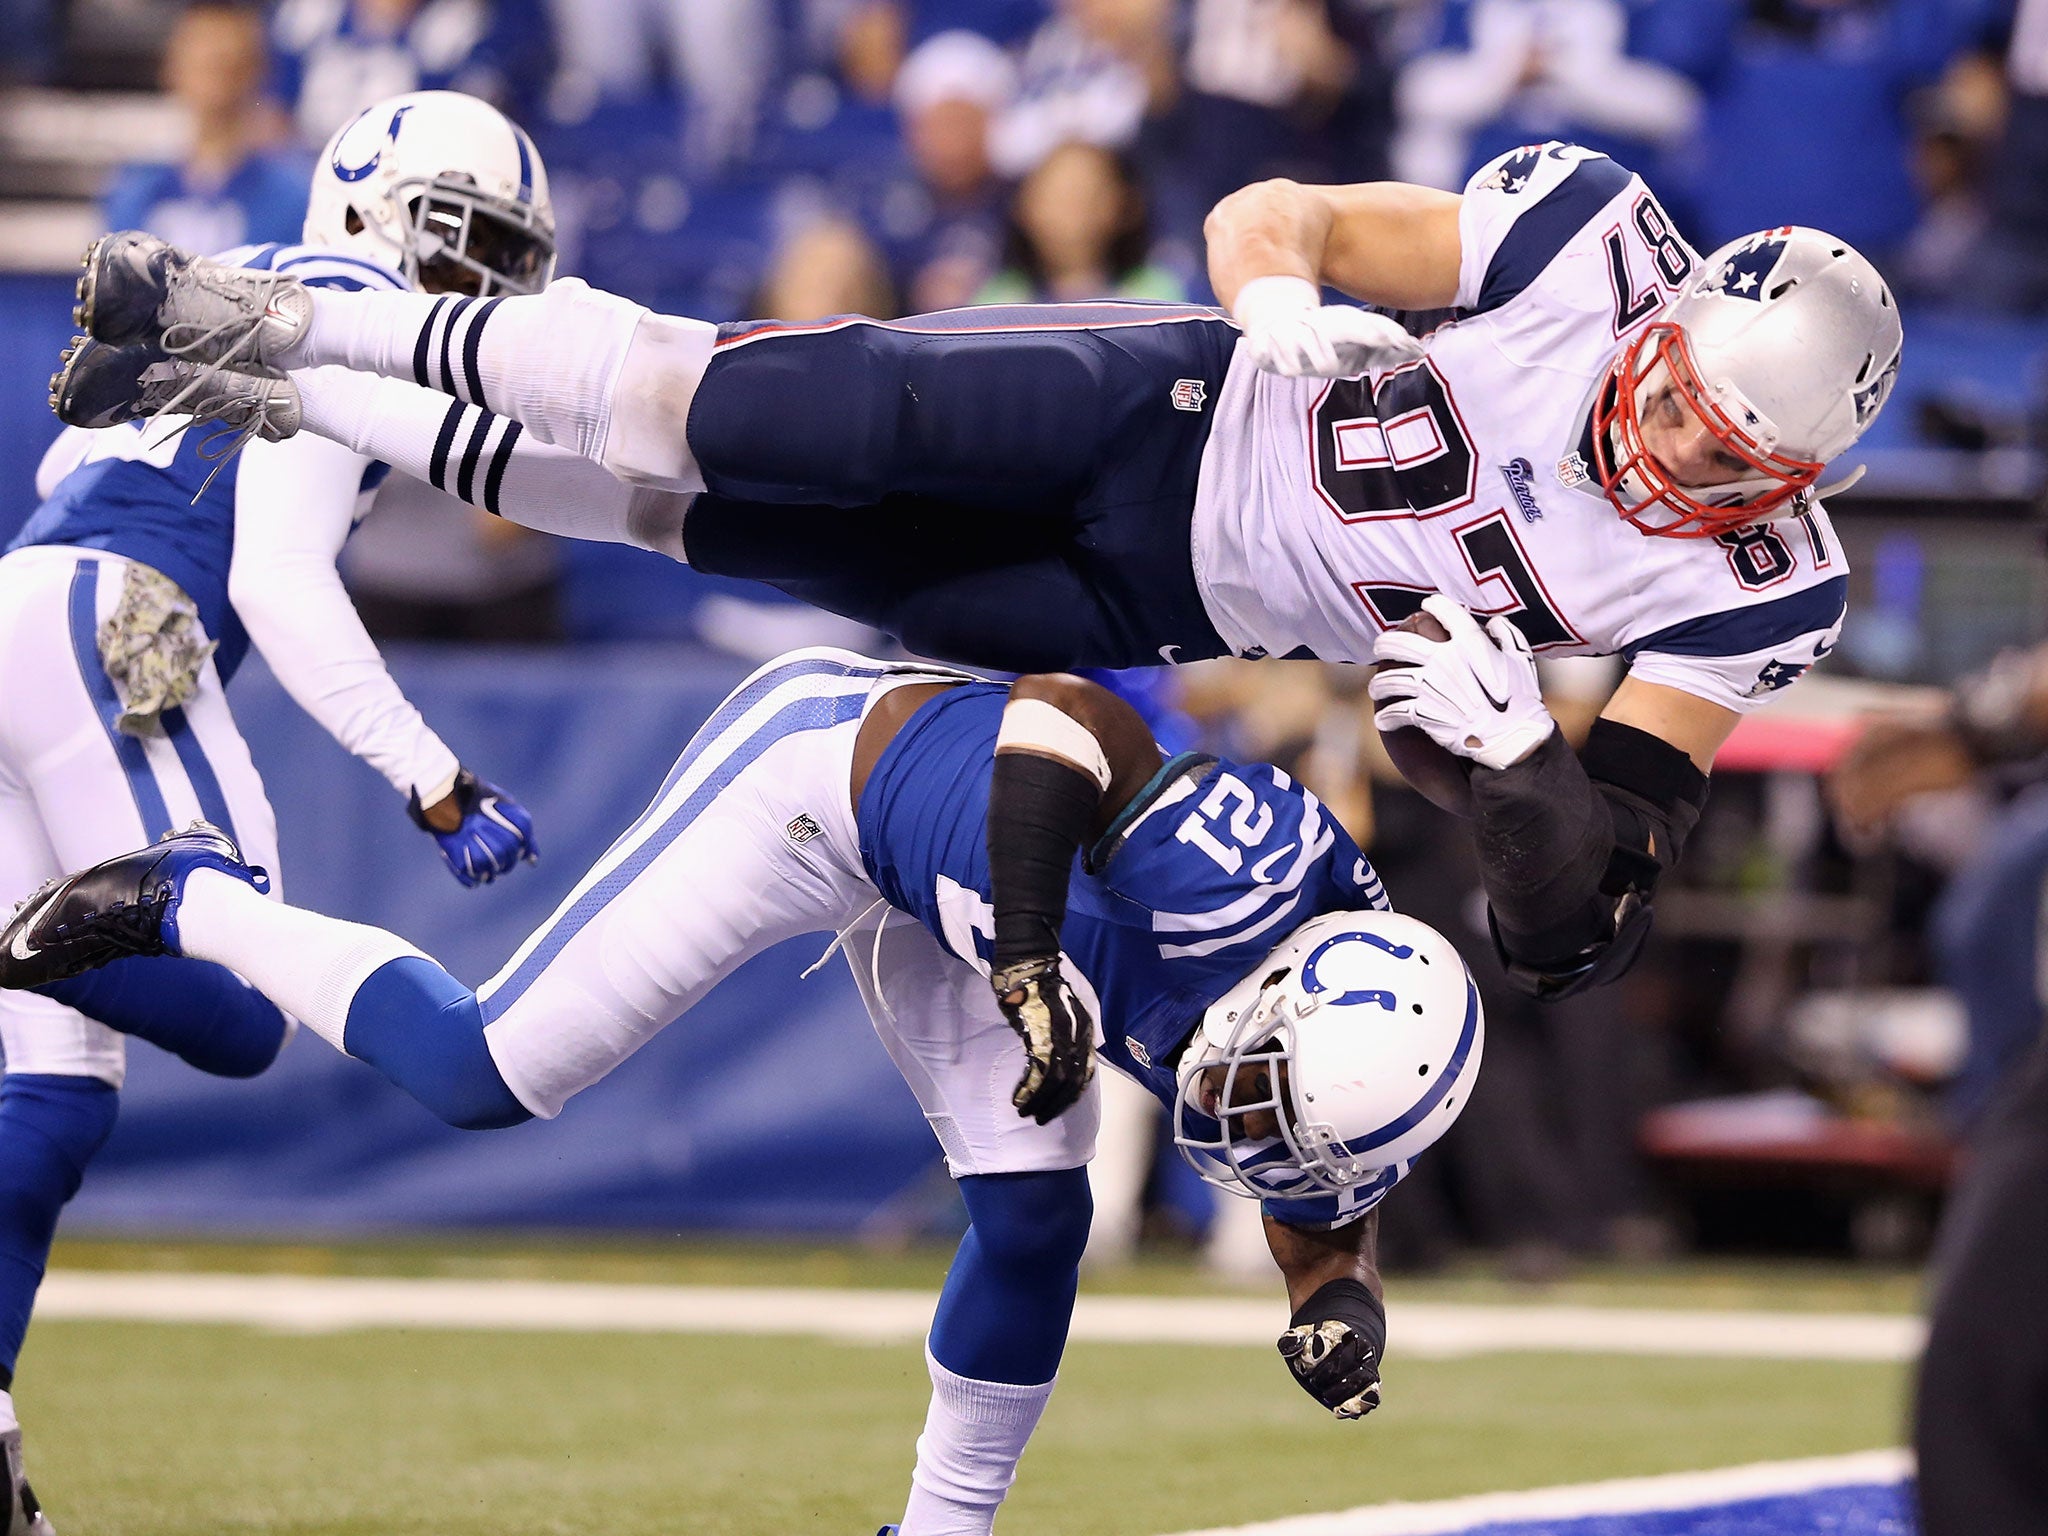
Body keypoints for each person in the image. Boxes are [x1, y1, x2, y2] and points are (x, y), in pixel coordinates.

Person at [58, 136, 1903, 1010]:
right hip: (1160, 411)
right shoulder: (1583, 239)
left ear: (1795, 479)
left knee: (710, 521)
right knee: (781, 414)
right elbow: (1286, 214)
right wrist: (1276, 306)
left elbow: (1575, 925)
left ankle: (290, 386)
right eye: (1678, 407)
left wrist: (1513, 786)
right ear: (1666, 317)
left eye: (1730, 461)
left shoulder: (1751, 591)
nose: (1669, 458)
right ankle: (285, 308)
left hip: (1158, 607)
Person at [0, 647, 1484, 1536]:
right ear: (1298, 987)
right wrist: (1029, 955)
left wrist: (1334, 1310)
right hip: (837, 783)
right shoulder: (1225, 890)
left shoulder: (1342, 1068)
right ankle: (192, 895)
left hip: (965, 911)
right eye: (1259, 1081)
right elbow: (1060, 713)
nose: (1238, 1111)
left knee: (1035, 1223)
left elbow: (1318, 1216)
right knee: (481, 1071)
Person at [0, 89, 550, 1531]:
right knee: (239, 1007)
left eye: (504, 258)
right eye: (463, 244)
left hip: (27, 597)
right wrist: (429, 773)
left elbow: (69, 457)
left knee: (48, 1104)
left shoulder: (231, 275)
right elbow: (278, 581)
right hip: (126, 621)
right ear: (372, 209)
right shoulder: (343, 307)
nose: (479, 288)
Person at [102, 2, 312, 256]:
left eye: (226, 64)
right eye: (204, 63)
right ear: (172, 68)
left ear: (256, 71)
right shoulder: (135, 191)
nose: (215, 76)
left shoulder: (292, 198)